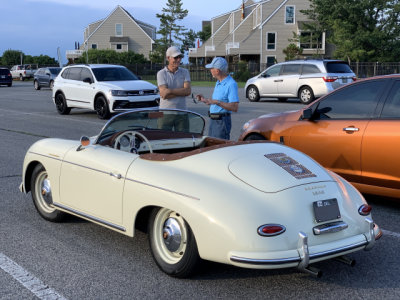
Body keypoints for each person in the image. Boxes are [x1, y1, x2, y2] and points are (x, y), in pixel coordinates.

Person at [196, 57, 239, 140]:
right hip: (213, 120)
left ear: (217, 70)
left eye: (211, 68)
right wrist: (205, 100)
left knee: (219, 148)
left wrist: (216, 102)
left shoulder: (231, 84)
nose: (210, 70)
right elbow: (216, 102)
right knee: (212, 147)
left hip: (222, 122)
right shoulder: (218, 82)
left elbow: (234, 107)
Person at [157, 46, 191, 131]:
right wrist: (181, 91)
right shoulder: (161, 73)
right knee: (163, 139)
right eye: (176, 57)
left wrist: (170, 90)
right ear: (168, 58)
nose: (179, 60)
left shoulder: (185, 72)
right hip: (165, 112)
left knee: (183, 140)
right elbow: (164, 95)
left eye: (180, 57)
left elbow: (188, 91)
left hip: (182, 112)